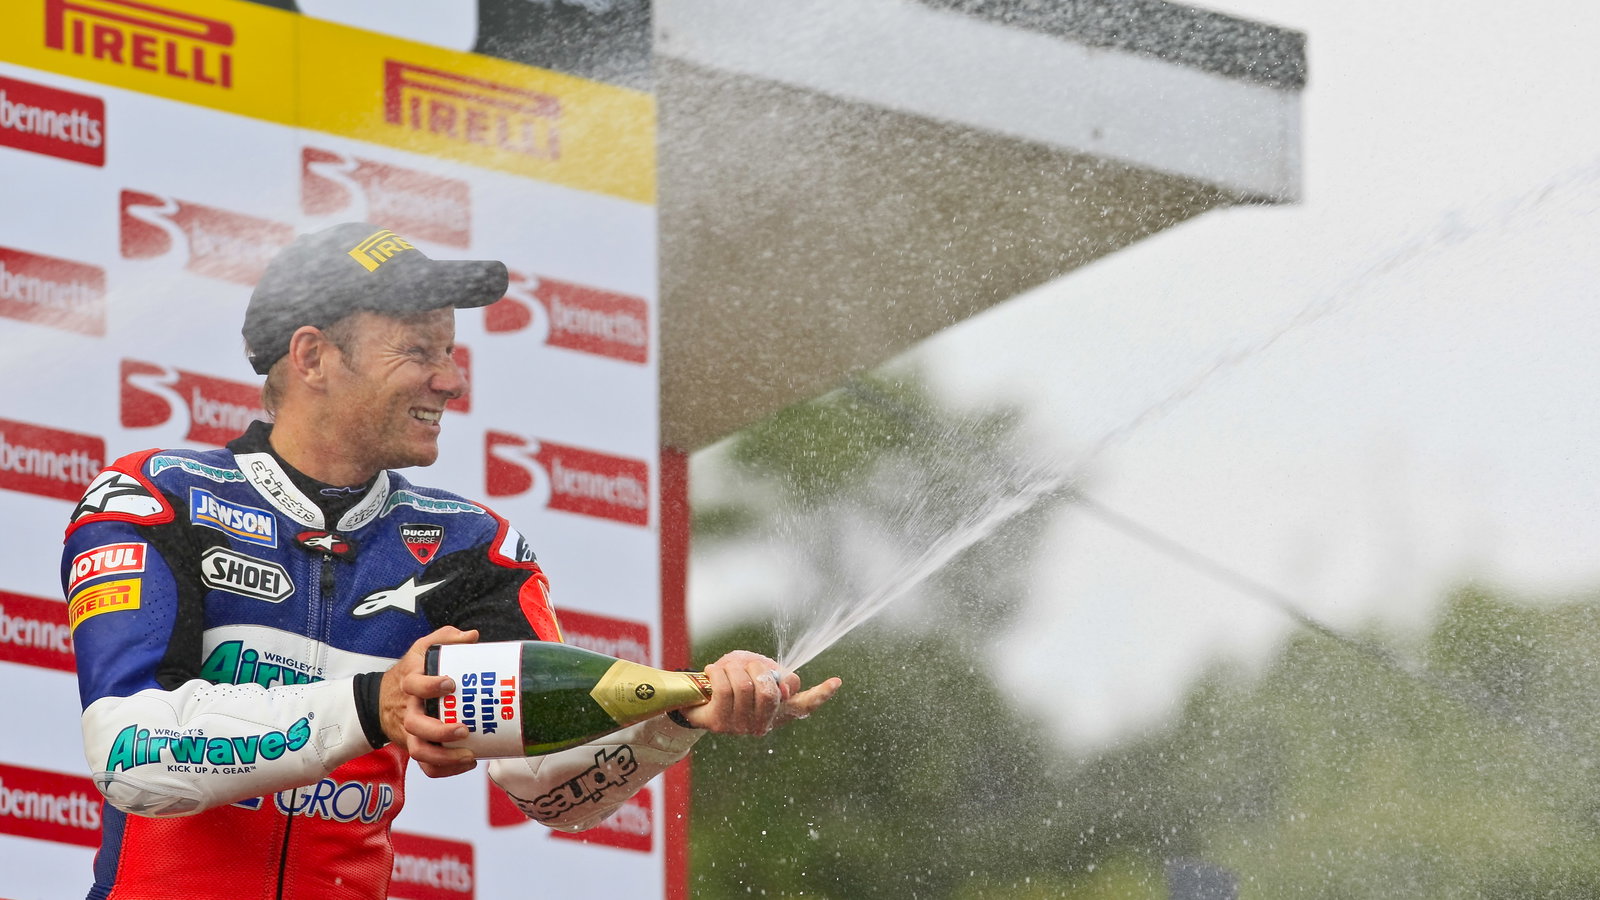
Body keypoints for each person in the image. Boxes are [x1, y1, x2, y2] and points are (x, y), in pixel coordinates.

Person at [61, 222, 841, 900]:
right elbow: (130, 751)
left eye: (451, 350)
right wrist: (376, 706)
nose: (451, 378)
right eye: (418, 350)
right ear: (312, 357)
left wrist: (673, 713)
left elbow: (550, 788)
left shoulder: (471, 545)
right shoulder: (155, 497)